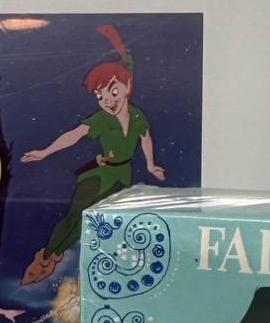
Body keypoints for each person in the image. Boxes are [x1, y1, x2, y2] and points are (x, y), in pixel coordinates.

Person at [19, 24, 165, 286]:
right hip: (98, 174)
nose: (107, 100)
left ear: (127, 87)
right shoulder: (101, 119)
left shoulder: (137, 117)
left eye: (112, 91)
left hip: (122, 175)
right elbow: (74, 134)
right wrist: (45, 151)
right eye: (100, 95)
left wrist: (151, 165)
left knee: (95, 222)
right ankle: (46, 257)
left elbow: (145, 138)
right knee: (76, 215)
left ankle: (58, 255)